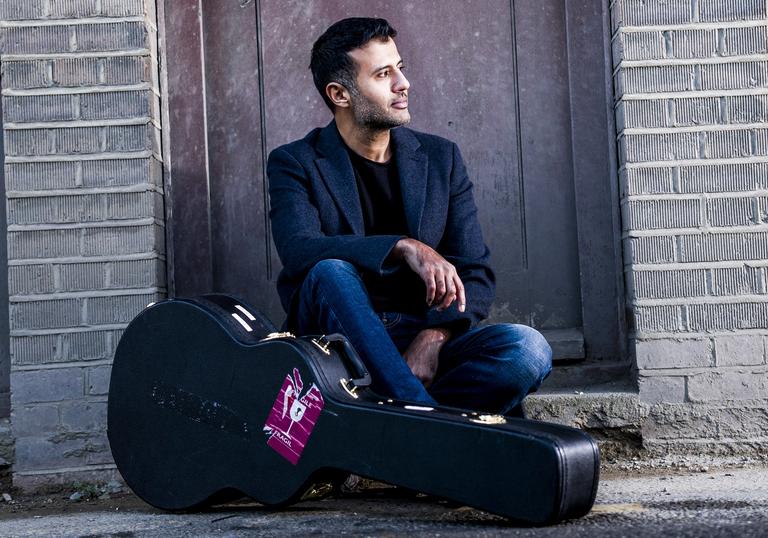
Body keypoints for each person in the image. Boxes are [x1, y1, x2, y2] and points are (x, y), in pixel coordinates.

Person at [267, 17, 551, 417]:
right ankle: (421, 425)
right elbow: (300, 249)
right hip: (340, 349)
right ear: (340, 94)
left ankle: (397, 426)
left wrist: (434, 336)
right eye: (384, 74)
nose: (403, 83)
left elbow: (474, 270)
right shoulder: (295, 162)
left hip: (419, 337)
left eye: (400, 67)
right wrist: (402, 247)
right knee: (329, 271)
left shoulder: (440, 158)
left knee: (526, 349)